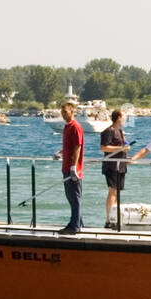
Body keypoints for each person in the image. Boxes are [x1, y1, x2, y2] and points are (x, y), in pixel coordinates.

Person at [54, 100, 84, 234]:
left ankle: (75, 226)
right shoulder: (66, 127)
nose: (63, 115)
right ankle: (77, 222)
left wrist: (74, 167)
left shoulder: (76, 126)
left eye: (65, 112)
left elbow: (78, 147)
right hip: (65, 166)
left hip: (73, 169)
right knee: (70, 196)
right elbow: (69, 145)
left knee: (75, 196)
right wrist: (61, 152)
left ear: (72, 111)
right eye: (62, 112)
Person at [100, 109, 132, 228]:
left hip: (121, 166)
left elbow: (122, 146)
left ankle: (116, 217)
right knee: (113, 191)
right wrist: (120, 149)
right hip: (112, 166)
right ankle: (108, 220)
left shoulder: (120, 131)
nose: (125, 120)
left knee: (117, 192)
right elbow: (104, 148)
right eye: (124, 117)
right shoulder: (109, 131)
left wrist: (126, 154)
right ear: (118, 117)